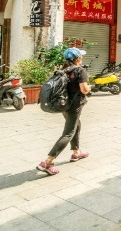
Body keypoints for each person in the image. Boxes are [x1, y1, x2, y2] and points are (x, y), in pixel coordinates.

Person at [36, 47, 91, 176]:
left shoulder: (63, 70)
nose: (82, 58)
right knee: (68, 133)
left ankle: (76, 152)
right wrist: (89, 87)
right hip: (74, 106)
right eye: (80, 56)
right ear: (78, 58)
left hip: (64, 105)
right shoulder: (80, 71)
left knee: (77, 125)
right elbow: (84, 90)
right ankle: (48, 162)